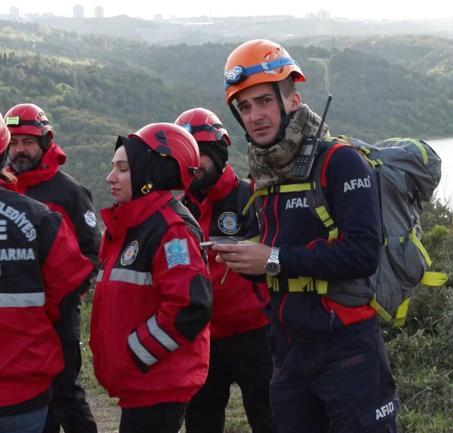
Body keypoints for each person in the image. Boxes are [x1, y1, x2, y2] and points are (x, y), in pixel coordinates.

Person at [215, 39, 399, 433]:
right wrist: (246, 259)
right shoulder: (265, 176)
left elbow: (363, 254)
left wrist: (272, 259)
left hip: (348, 349)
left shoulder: (341, 162)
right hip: (287, 352)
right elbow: (274, 261)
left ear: (293, 101)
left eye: (264, 101)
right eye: (244, 107)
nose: (255, 116)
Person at [90, 123, 212, 433]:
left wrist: (135, 352)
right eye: (113, 167)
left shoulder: (171, 230)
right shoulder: (130, 225)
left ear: (152, 173)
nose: (110, 177)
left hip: (157, 383)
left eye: (123, 169)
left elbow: (189, 306)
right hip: (141, 383)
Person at [175, 107, 273, 433]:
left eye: (201, 153)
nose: (194, 163)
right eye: (187, 155)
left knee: (269, 419)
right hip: (202, 337)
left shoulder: (251, 198)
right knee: (201, 423)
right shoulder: (178, 209)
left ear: (219, 151)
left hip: (256, 334)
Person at [4, 103, 100, 433]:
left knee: (65, 392)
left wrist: (65, 297)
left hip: (59, 313)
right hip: (18, 319)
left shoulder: (69, 192)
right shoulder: (7, 189)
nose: (20, 150)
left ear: (46, 142)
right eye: (14, 142)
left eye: (28, 142)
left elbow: (91, 253)